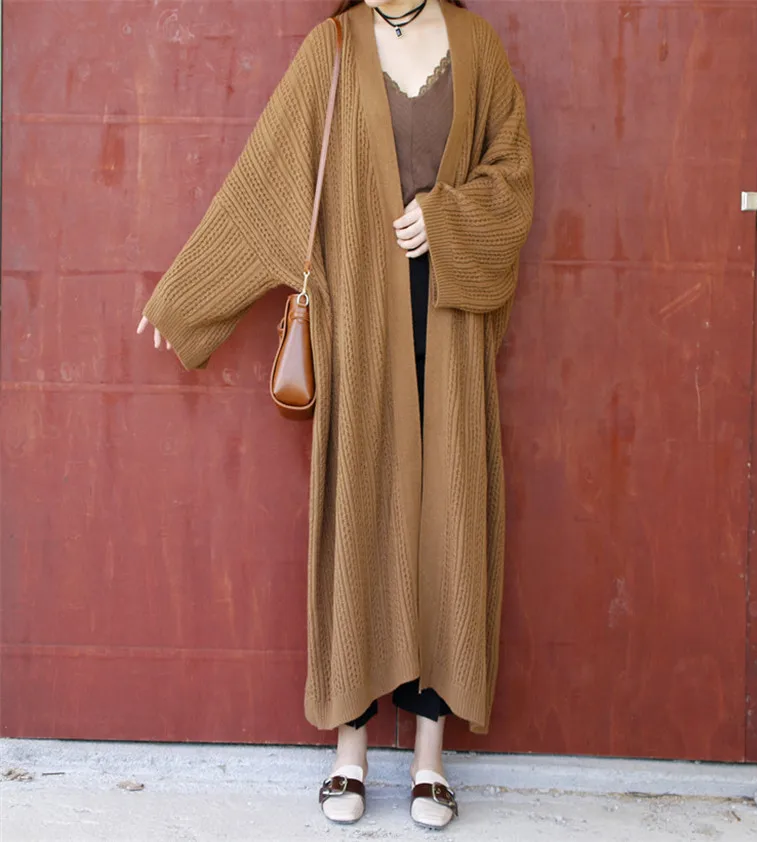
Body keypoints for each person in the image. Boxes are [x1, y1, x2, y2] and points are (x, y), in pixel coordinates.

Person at [136, 0, 533, 828]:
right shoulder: (334, 50)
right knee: (360, 519)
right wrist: (186, 298)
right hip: (360, 332)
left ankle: (429, 757)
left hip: (452, 331)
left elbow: (514, 180)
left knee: (448, 527)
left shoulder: (479, 49)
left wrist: (446, 221)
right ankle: (349, 754)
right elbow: (263, 189)